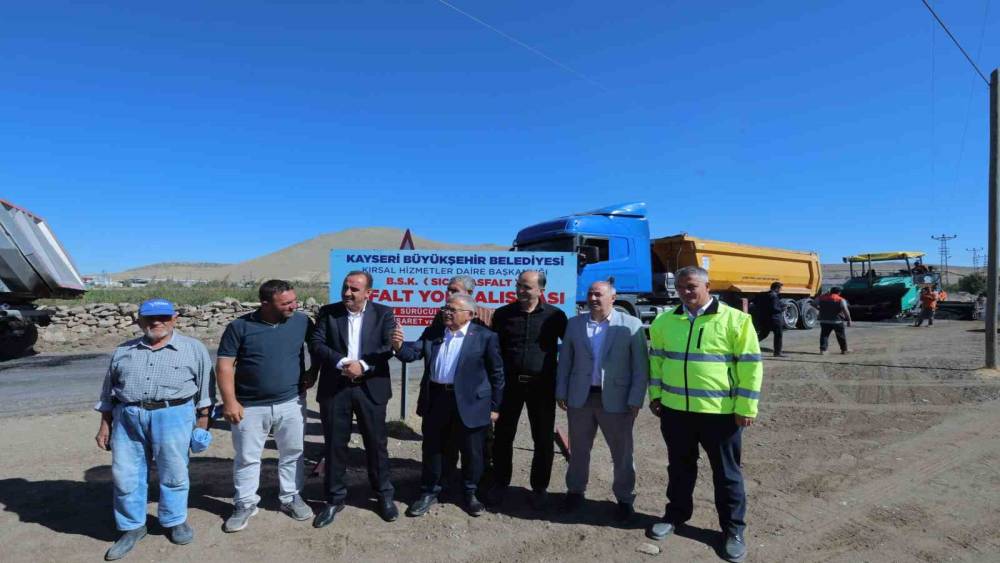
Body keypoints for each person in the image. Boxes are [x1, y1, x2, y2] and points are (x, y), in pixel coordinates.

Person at [646, 266, 763, 563]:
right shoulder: (664, 321)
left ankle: (733, 531)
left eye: (692, 286)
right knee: (679, 468)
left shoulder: (736, 320)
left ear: (707, 286)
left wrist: (746, 407)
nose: (685, 292)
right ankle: (676, 515)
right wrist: (656, 396)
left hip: (720, 414)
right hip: (675, 412)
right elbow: (657, 361)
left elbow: (750, 366)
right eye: (680, 287)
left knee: (726, 474)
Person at [94, 299, 215, 561]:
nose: (156, 322)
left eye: (163, 317)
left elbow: (206, 394)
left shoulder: (193, 349)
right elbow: (108, 392)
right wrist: (105, 424)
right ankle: (132, 527)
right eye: (149, 318)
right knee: (126, 476)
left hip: (174, 415)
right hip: (128, 417)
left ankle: (174, 521)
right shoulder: (123, 350)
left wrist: (202, 427)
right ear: (139, 320)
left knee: (174, 472)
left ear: (175, 318)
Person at [392, 293, 505, 518]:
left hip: (472, 402)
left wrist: (495, 407)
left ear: (469, 315)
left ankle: (470, 492)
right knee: (433, 449)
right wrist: (398, 346)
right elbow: (412, 353)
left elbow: (497, 374)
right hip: (437, 399)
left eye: (453, 309)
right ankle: (429, 491)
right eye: (446, 308)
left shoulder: (485, 337)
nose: (447, 312)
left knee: (472, 451)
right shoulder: (434, 333)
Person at [217, 280, 316, 532]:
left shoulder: (301, 322)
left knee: (293, 452)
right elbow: (224, 365)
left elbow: (318, 348)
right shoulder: (239, 327)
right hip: (249, 406)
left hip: (291, 402)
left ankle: (291, 497)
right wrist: (229, 401)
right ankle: (245, 503)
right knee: (247, 458)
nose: (294, 306)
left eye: (294, 300)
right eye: (286, 303)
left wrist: (313, 371)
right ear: (265, 303)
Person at [310, 271, 399, 527]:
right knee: (335, 445)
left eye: (354, 289)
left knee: (376, 444)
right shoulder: (329, 312)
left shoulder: (383, 313)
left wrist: (363, 365)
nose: (347, 293)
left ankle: (383, 495)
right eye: (345, 287)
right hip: (336, 388)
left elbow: (388, 346)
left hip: (371, 388)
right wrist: (342, 362)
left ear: (368, 293)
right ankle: (334, 499)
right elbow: (316, 343)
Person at [555, 280, 648, 522]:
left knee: (622, 453)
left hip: (617, 400)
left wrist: (636, 398)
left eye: (598, 294)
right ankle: (575, 491)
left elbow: (640, 366)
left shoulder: (631, 324)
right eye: (590, 294)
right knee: (579, 450)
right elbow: (565, 360)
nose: (593, 298)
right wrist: (561, 391)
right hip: (580, 398)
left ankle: (625, 499)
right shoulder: (575, 324)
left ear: (613, 298)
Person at [487, 270, 567, 510]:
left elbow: (570, 350)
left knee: (542, 438)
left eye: (527, 287)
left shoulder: (555, 316)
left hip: (542, 387)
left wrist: (565, 385)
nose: (521, 291)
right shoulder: (503, 314)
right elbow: (493, 352)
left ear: (541, 290)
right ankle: (500, 483)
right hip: (508, 386)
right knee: (503, 436)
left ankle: (539, 488)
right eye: (519, 286)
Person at [753, 281, 785, 357]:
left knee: (763, 334)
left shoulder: (763, 294)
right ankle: (777, 352)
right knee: (778, 335)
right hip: (775, 319)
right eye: (780, 288)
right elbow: (774, 308)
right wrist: (782, 308)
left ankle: (750, 344)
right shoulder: (774, 296)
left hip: (765, 318)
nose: (780, 290)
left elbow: (756, 303)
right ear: (777, 288)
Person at [817, 287, 852, 355]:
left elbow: (813, 303)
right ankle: (844, 350)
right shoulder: (840, 299)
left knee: (824, 335)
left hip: (824, 320)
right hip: (837, 321)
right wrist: (849, 320)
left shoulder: (822, 298)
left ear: (831, 291)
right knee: (841, 336)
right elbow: (845, 310)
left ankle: (823, 350)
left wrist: (820, 309)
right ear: (839, 292)